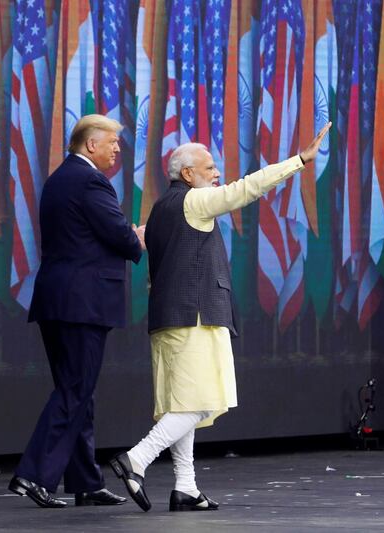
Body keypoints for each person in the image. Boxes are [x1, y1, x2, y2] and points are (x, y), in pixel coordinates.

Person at [110, 122, 333, 512]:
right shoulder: (193, 201)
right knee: (199, 402)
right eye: (209, 168)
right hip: (192, 317)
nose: (217, 174)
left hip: (168, 319)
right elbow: (246, 189)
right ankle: (136, 459)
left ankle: (185, 487)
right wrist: (299, 160)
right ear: (187, 174)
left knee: (184, 403)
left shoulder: (160, 209)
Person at [9, 114, 146, 508]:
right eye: (113, 143)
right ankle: (32, 476)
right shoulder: (89, 180)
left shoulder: (59, 178)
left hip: (59, 300)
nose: (117, 150)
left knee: (78, 391)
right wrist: (135, 238)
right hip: (82, 303)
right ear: (91, 145)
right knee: (74, 390)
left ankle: (86, 482)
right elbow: (118, 234)